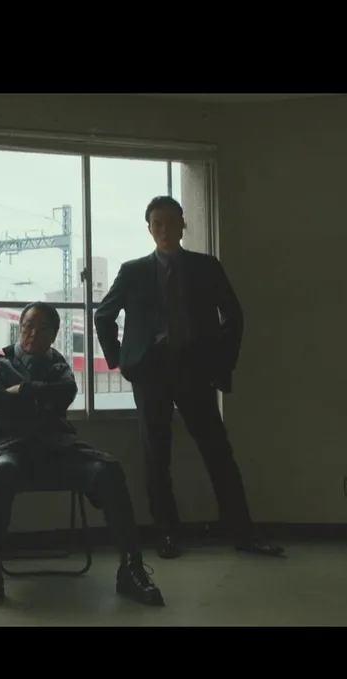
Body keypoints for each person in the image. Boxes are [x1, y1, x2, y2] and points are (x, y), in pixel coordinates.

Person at [94, 195, 283, 560]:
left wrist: (219, 361)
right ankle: (167, 534)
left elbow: (234, 316)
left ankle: (243, 534)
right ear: (149, 230)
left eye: (171, 222)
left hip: (194, 369)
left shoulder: (206, 267)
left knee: (218, 451)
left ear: (183, 224)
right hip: (151, 371)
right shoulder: (132, 271)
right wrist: (122, 360)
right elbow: (104, 316)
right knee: (156, 455)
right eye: (158, 224)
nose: (165, 230)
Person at [0, 302, 164, 609]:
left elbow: (65, 393)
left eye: (42, 329)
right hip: (11, 449)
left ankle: (131, 568)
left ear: (54, 335)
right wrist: (41, 397)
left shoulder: (59, 365)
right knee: (0, 471)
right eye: (27, 326)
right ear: (19, 327)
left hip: (59, 449)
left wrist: (21, 391)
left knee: (108, 470)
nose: (32, 334)